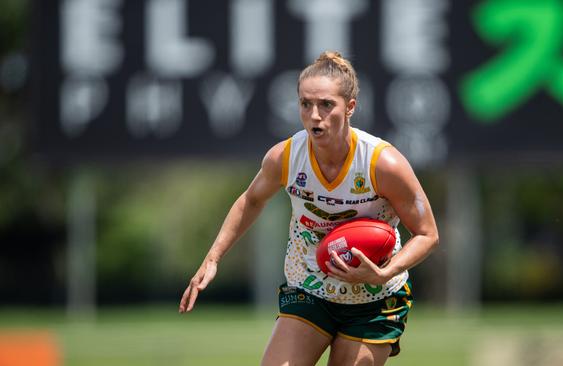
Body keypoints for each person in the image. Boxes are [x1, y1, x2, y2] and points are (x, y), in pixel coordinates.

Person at [179, 51, 439, 365]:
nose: (314, 115)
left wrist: (382, 273)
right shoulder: (286, 157)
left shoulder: (382, 164)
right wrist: (213, 256)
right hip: (310, 286)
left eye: (326, 104)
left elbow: (427, 234)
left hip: (375, 299)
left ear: (350, 107)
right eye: (305, 104)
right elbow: (251, 200)